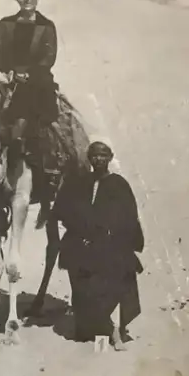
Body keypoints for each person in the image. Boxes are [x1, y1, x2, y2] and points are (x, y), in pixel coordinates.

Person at [53, 141, 144, 351]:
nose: (98, 159)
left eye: (103, 155)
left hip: (109, 245)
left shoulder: (119, 184)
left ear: (110, 158)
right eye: (94, 156)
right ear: (89, 159)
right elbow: (66, 209)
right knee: (82, 288)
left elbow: (129, 215)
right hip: (81, 245)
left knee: (109, 288)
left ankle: (112, 331)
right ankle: (93, 332)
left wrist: (110, 235)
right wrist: (79, 231)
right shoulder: (81, 182)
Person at [0, 0, 60, 163]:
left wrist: (29, 74)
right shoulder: (5, 24)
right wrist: (7, 70)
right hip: (7, 75)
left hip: (36, 77)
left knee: (34, 95)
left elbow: (49, 57)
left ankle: (26, 143)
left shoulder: (47, 26)